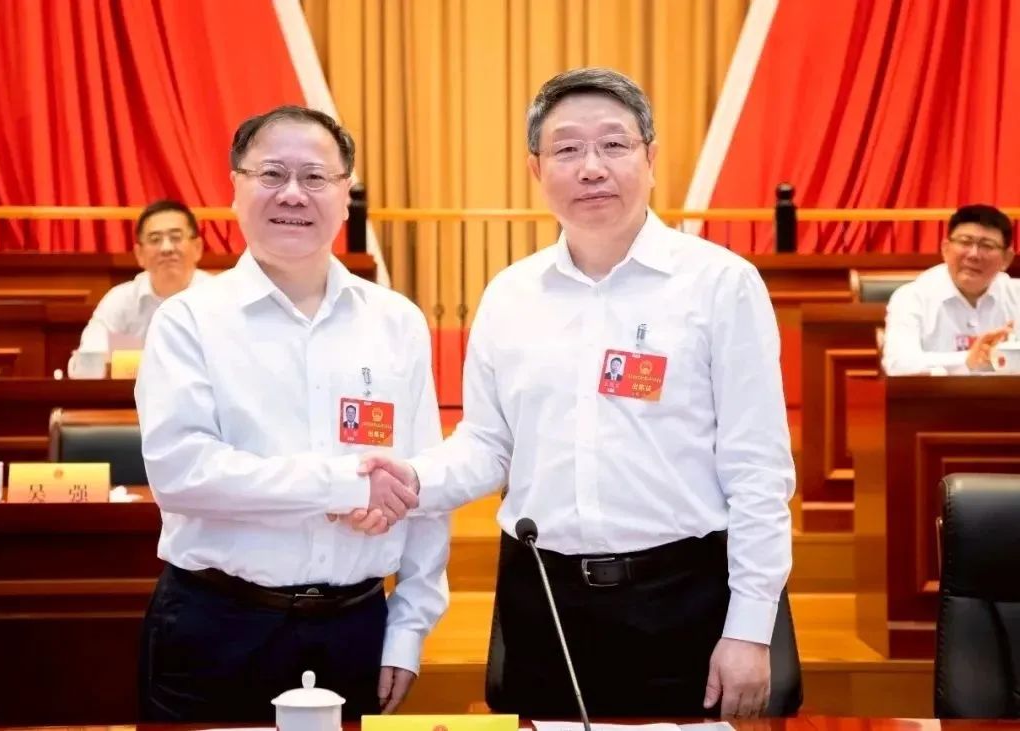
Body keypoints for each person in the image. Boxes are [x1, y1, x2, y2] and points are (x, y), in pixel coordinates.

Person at [357, 67, 794, 719]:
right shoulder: (511, 294)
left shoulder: (720, 285)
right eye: (567, 149)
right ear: (536, 168)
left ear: (651, 157)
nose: (592, 167)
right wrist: (413, 480)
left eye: (614, 144)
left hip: (682, 597)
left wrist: (751, 627)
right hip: (544, 600)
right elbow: (487, 444)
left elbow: (758, 469)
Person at [134, 105, 448, 722]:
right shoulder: (188, 321)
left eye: (315, 177)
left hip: (356, 629)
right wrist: (343, 484)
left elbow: (422, 486)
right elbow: (183, 474)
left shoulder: (397, 322)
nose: (293, 194)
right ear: (235, 188)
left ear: (345, 194)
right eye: (272, 174)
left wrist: (409, 627)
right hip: (216, 627)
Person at [882, 204, 1019, 375]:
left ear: (1007, 259)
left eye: (987, 246)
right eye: (965, 242)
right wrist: (968, 359)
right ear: (945, 249)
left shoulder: (1016, 296)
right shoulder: (911, 297)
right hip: (935, 393)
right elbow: (898, 365)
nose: (974, 254)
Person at [78, 199, 211, 353]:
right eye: (155, 240)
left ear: (197, 248)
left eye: (175, 237)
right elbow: (88, 359)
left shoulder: (219, 297)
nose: (166, 248)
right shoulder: (121, 300)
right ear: (139, 254)